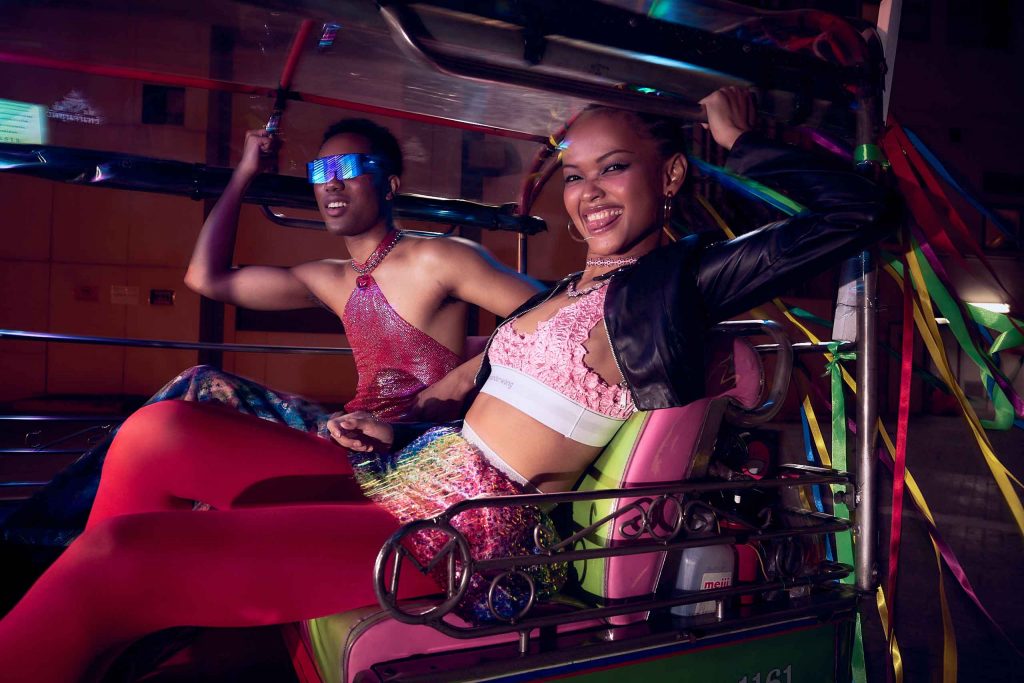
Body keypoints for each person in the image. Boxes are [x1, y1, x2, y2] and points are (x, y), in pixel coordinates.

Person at [0, 88, 896, 682]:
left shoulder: (671, 287)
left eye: (614, 168)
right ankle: (112, 648)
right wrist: (407, 416)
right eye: (576, 175)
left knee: (113, 564)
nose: (587, 194)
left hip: (458, 536)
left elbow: (860, 214)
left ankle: (84, 624)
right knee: (163, 432)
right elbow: (488, 375)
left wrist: (742, 144)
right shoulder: (568, 288)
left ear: (667, 175)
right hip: (410, 468)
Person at [0, 118, 540, 546]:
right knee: (193, 421)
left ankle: (38, 535)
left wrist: (450, 388)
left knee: (202, 386)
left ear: (389, 183)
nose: (331, 181)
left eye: (350, 166)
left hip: (407, 444)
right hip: (343, 431)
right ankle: (74, 540)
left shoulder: (439, 256)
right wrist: (244, 173)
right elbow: (204, 278)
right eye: (320, 169)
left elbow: (550, 314)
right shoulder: (329, 279)